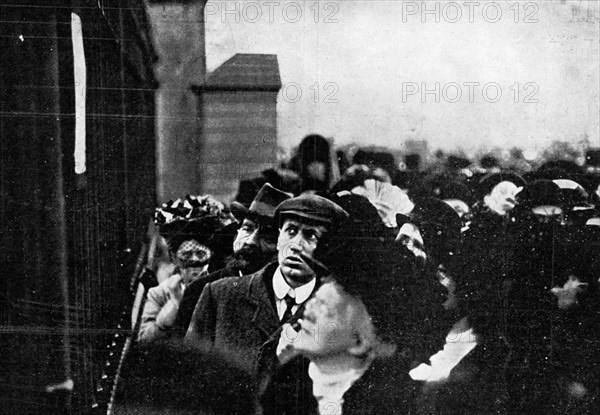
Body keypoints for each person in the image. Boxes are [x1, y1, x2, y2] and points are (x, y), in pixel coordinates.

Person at [259, 193, 447, 415]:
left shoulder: (403, 403)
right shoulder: (286, 384)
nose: (311, 307)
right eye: (324, 287)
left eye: (329, 308)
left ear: (365, 337)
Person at [184, 193, 348, 383]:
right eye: (291, 231)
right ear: (279, 239)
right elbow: (190, 382)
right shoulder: (220, 296)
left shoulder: (339, 311)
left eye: (310, 235)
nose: (295, 245)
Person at [172, 183, 292, 338]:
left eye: (267, 235)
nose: (250, 241)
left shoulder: (289, 294)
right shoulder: (200, 290)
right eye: (247, 228)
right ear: (236, 234)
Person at [137, 195, 235, 343]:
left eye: (201, 254)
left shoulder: (222, 286)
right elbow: (144, 340)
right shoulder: (160, 293)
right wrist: (169, 313)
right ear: (175, 258)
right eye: (187, 255)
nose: (194, 261)